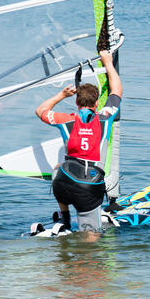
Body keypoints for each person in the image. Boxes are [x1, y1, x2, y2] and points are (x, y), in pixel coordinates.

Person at [35, 50, 122, 234]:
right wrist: (108, 62)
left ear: (76, 102)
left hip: (63, 185)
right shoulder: (104, 117)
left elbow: (40, 110)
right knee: (91, 242)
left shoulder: (66, 120)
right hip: (88, 187)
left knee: (58, 167)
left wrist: (61, 95)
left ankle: (65, 217)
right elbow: (117, 91)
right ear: (97, 103)